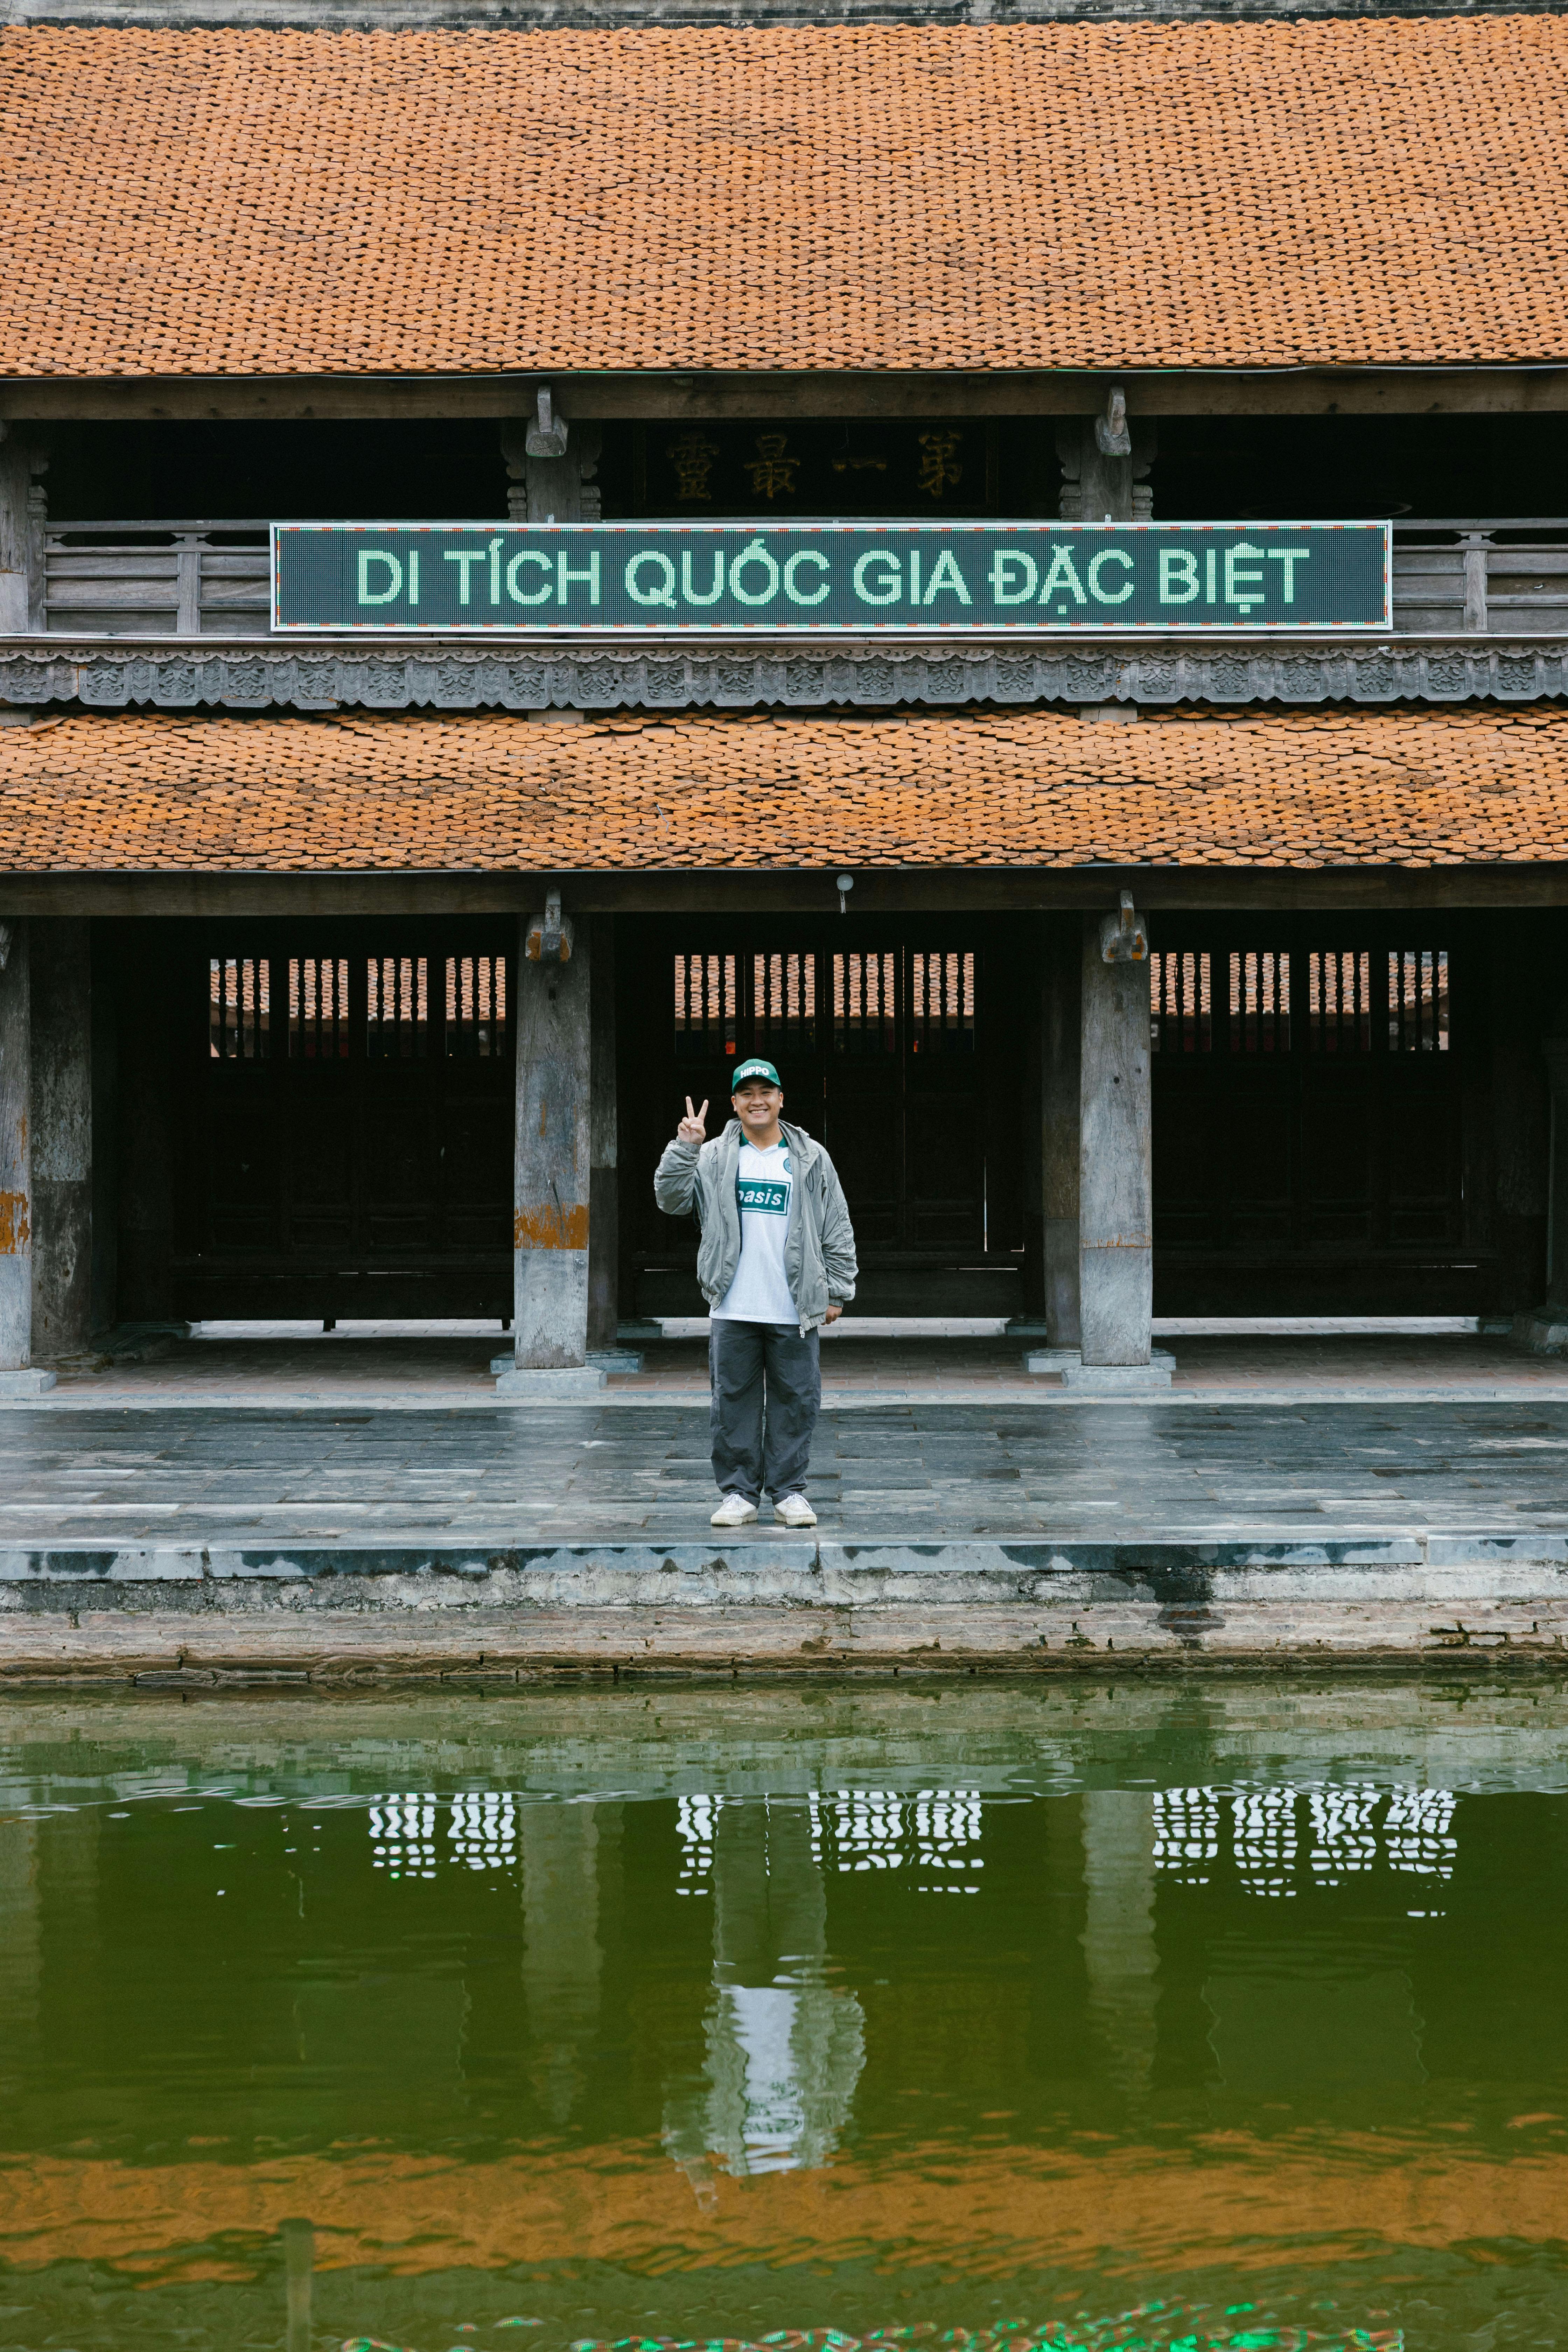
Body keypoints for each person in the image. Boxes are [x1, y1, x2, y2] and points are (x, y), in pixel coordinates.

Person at [654, 1058, 858, 1528]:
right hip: (734, 1302)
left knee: (796, 1400)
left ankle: (789, 1492)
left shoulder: (810, 1157)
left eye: (766, 1092)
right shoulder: (715, 1156)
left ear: (781, 1099)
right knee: (733, 1402)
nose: (757, 1100)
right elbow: (671, 1201)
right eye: (747, 1094)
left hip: (794, 1303)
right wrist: (685, 1148)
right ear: (734, 1103)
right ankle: (740, 1494)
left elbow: (836, 1225)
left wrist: (838, 1289)